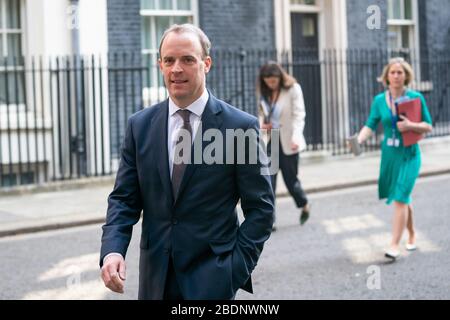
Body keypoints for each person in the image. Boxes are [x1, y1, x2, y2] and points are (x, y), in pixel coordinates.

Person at [100, 24, 274, 299]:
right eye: (169, 60)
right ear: (160, 65)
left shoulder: (240, 127)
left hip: (213, 280)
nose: (176, 69)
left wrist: (232, 271)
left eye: (187, 59)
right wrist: (112, 250)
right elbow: (124, 198)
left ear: (206, 63)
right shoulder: (139, 126)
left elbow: (261, 210)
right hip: (155, 281)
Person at [353, 57, 432, 260]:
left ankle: (394, 244)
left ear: (406, 76)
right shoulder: (380, 100)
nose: (396, 76)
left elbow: (428, 125)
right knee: (402, 196)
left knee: (399, 197)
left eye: (400, 72)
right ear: (386, 76)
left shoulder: (415, 97)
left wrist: (411, 126)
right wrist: (358, 140)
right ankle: (412, 234)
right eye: (393, 72)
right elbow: (371, 124)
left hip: (409, 154)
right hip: (390, 155)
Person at [256, 61, 310, 231]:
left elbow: (299, 115)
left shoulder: (293, 89)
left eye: (274, 80)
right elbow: (260, 115)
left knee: (291, 181)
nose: (271, 84)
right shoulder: (264, 93)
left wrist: (296, 137)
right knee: (268, 182)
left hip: (289, 141)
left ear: (280, 77)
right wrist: (262, 126)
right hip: (271, 141)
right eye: (268, 81)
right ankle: (270, 220)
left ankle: (304, 204)